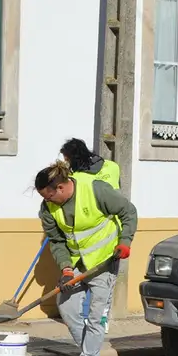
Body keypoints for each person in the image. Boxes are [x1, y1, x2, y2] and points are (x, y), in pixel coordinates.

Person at [35, 160, 138, 356]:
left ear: (61, 188)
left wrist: (125, 242)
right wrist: (66, 269)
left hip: (105, 261)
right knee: (67, 306)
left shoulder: (95, 189)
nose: (46, 201)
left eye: (49, 196)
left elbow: (128, 211)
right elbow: (58, 240)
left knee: (96, 316)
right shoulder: (47, 207)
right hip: (77, 264)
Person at [60, 138, 121, 333]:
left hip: (92, 238)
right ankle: (100, 322)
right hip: (111, 234)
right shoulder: (111, 166)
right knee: (104, 288)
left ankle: (92, 325)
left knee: (90, 286)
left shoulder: (78, 178)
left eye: (66, 159)